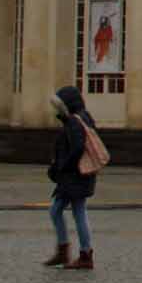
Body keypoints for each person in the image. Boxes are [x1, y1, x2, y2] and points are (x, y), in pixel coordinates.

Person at [46, 85, 99, 269]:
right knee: (70, 211)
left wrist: (62, 167)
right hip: (76, 176)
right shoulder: (81, 118)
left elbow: (76, 149)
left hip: (73, 176)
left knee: (63, 211)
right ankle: (74, 252)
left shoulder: (75, 121)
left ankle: (80, 254)